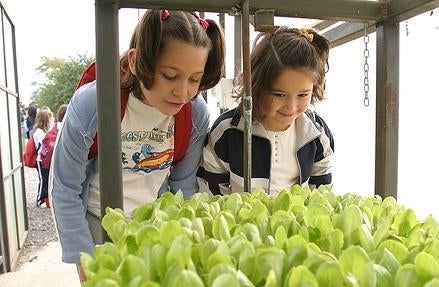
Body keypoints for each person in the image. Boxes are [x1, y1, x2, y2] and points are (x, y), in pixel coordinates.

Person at [49, 9, 225, 281]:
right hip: (98, 223)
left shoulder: (195, 113)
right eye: (169, 75)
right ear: (134, 60)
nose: (183, 92)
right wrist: (83, 256)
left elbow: (183, 184)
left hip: (155, 224)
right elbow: (64, 187)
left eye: (194, 79)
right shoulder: (93, 104)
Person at [198, 26, 334, 196]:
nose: (291, 107)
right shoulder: (226, 131)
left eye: (303, 94)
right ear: (257, 86)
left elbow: (321, 197)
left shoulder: (317, 133)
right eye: (279, 94)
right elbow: (212, 195)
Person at [32, 106, 54, 207]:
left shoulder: (45, 131)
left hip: (47, 160)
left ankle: (46, 198)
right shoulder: (39, 132)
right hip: (41, 160)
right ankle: (40, 199)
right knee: (43, 179)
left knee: (47, 179)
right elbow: (45, 143)